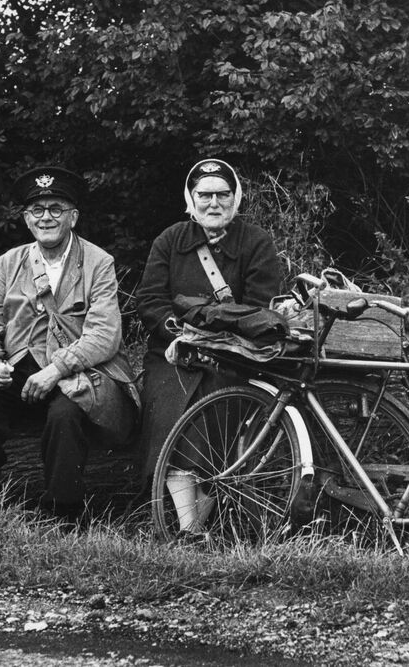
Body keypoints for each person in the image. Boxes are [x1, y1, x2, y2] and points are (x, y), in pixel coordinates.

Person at [0, 165, 137, 523]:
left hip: (79, 371)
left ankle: (62, 515)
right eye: (37, 210)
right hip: (21, 367)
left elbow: (105, 336)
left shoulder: (99, 262)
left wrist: (57, 369)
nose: (46, 218)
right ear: (26, 218)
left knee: (65, 415)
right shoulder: (10, 262)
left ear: (73, 217)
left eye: (56, 209)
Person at [136, 158, 282, 536]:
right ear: (191, 199)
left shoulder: (256, 242)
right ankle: (191, 525)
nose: (213, 203)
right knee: (168, 399)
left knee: (218, 398)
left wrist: (213, 337)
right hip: (174, 353)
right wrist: (178, 336)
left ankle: (195, 522)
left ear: (235, 199)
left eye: (223, 194)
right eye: (205, 195)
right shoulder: (169, 241)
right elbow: (150, 301)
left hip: (235, 356)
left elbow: (258, 306)